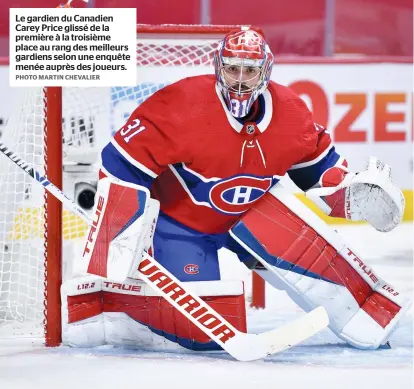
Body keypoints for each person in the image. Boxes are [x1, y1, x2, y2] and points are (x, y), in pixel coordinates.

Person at [61, 27, 407, 352]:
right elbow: (120, 164)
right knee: (207, 331)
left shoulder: (290, 113)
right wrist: (120, 231)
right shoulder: (181, 103)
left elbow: (318, 170)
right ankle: (108, 309)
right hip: (181, 227)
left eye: (250, 71)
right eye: (232, 69)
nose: (240, 81)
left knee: (333, 278)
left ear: (265, 71)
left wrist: (351, 192)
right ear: (219, 68)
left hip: (253, 214)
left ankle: (368, 314)